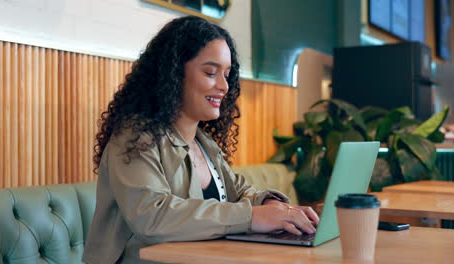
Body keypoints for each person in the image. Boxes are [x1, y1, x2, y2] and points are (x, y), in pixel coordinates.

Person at [83, 16, 319, 264]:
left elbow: (237, 191)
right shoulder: (134, 138)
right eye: (210, 72)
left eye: (227, 75)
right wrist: (251, 217)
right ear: (173, 74)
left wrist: (270, 204)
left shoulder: (203, 143)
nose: (224, 86)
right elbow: (152, 215)